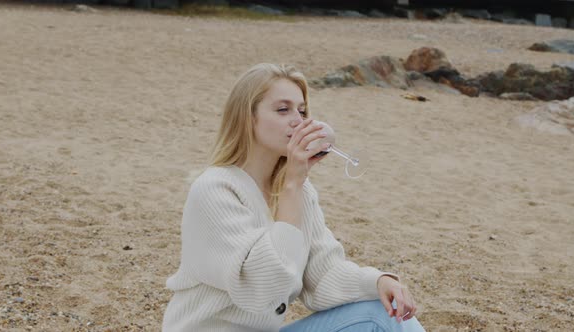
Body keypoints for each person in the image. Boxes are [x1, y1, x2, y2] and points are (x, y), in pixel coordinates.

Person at [162, 63, 426, 332]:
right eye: (282, 109)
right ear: (247, 117)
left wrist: (378, 282)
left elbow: (321, 276)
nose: (299, 122)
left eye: (302, 111)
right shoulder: (215, 190)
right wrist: (292, 184)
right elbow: (263, 288)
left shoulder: (296, 187)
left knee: (385, 313)